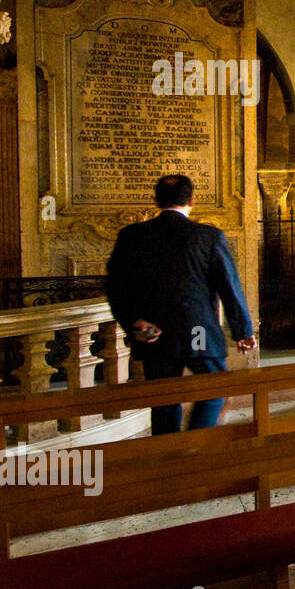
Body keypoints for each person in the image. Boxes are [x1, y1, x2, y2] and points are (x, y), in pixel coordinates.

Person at [106, 174, 256, 435]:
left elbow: (115, 286)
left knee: (165, 401)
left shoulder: (132, 236)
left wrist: (133, 321)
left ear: (156, 201)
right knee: (215, 390)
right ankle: (194, 444)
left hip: (154, 334)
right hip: (199, 332)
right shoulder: (208, 236)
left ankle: (169, 458)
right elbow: (229, 286)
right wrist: (242, 331)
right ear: (192, 200)